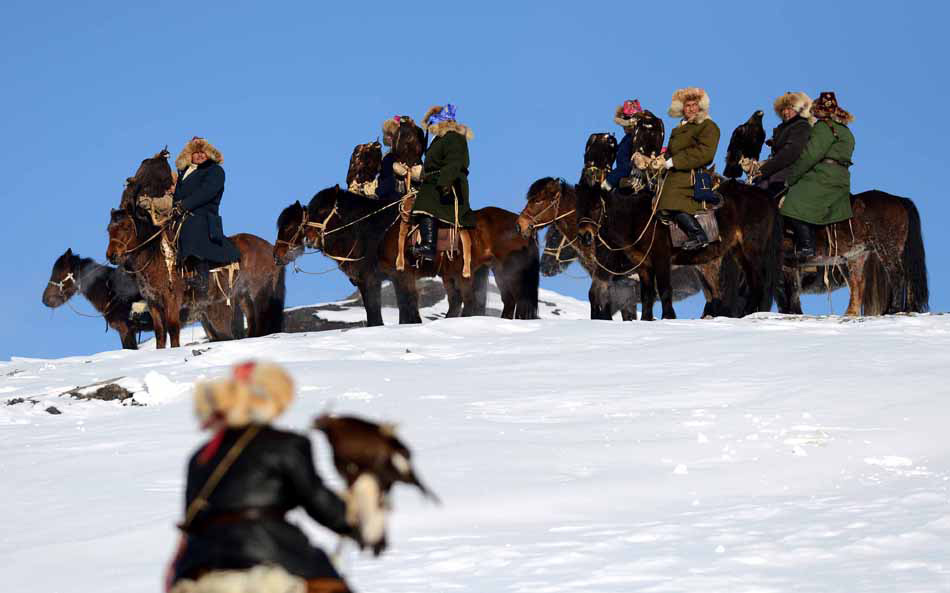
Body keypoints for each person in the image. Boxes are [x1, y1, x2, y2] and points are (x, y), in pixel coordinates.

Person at [166, 361, 360, 593]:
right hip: (268, 553)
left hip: (198, 566)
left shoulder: (200, 456)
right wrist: (353, 519)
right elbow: (316, 500)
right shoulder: (286, 444)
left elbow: (192, 520)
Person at [781, 91, 855, 259]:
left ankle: (806, 246)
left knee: (792, 202)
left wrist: (791, 178)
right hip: (841, 178)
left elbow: (810, 156)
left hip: (824, 177)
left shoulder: (824, 127)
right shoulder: (845, 131)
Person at [172, 137, 241, 297]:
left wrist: (184, 206)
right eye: (195, 152)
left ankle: (201, 276)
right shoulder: (184, 173)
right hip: (182, 216)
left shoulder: (215, 170)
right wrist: (174, 209)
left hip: (203, 216)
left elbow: (207, 192)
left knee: (191, 225)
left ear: (209, 153)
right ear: (189, 155)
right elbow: (177, 196)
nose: (199, 155)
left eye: (202, 151)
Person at [655, 87, 720, 250]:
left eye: (694, 105)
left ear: (700, 107)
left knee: (670, 200)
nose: (691, 108)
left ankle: (699, 236)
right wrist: (658, 161)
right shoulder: (678, 129)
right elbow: (669, 152)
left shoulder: (707, 125)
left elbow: (705, 152)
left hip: (690, 175)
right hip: (673, 173)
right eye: (687, 105)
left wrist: (674, 161)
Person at [412, 104, 475, 260]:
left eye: (432, 123)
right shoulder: (440, 139)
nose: (430, 127)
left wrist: (444, 182)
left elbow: (454, 162)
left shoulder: (453, 137)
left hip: (450, 183)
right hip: (435, 179)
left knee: (425, 200)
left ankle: (428, 245)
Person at [752, 92, 815, 198]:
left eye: (789, 108)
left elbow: (790, 153)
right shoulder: (785, 127)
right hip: (775, 174)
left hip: (788, 176)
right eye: (782, 109)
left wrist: (762, 171)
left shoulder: (802, 126)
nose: (785, 112)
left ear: (799, 109)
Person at [603, 99, 647, 193]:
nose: (623, 126)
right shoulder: (627, 138)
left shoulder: (635, 138)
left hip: (630, 183)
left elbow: (628, 166)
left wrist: (609, 181)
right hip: (621, 179)